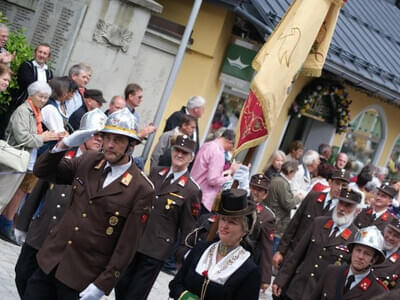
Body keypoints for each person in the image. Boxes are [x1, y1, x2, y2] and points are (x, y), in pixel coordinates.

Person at [22, 107, 155, 300]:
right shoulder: (90, 160)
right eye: (107, 137)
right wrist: (63, 145)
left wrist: (103, 284)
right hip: (50, 261)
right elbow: (43, 172)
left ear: (131, 144)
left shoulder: (142, 188)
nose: (109, 144)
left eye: (117, 140)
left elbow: (127, 245)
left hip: (82, 275)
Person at [13, 109, 106, 297]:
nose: (98, 139)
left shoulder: (99, 168)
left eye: (102, 136)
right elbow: (39, 189)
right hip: (42, 229)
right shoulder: (62, 155)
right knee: (22, 274)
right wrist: (23, 224)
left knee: (41, 286)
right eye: (94, 134)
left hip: (62, 239)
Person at [115, 135, 202, 299]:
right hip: (135, 241)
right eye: (177, 150)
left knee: (136, 294)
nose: (179, 155)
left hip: (155, 250)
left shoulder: (191, 190)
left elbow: (188, 228)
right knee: (121, 285)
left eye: (185, 153)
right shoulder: (156, 173)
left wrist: (182, 257)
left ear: (191, 158)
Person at [169, 189, 261, 300]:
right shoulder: (200, 249)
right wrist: (185, 296)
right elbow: (176, 284)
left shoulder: (249, 270)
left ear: (244, 231)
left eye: (232, 222)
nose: (224, 226)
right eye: (223, 219)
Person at [272, 188, 362, 300]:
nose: (342, 208)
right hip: (297, 289)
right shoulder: (319, 223)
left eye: (348, 206)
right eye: (341, 203)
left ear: (357, 211)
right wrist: (281, 280)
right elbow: (297, 255)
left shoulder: (356, 237)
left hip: (319, 294)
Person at [0, 81, 61, 242]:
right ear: (31, 95)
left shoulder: (35, 112)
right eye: (40, 96)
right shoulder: (24, 110)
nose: (43, 100)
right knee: (2, 195)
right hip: (13, 158)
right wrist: (44, 137)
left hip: (25, 159)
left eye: (46, 98)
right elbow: (22, 137)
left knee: (7, 196)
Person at [273, 168, 350, 269]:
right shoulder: (312, 198)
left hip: (312, 264)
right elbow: (294, 224)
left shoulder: (343, 212)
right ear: (330, 183)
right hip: (292, 254)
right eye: (337, 183)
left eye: (343, 185)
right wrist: (281, 251)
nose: (340, 188)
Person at [310, 226, 388, 300]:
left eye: (367, 254)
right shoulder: (331, 272)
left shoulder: (378, 292)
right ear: (352, 251)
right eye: (358, 250)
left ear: (374, 259)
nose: (360, 256)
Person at [191, 129, 240, 213]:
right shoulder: (218, 153)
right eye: (233, 145)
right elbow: (213, 180)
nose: (232, 149)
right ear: (229, 141)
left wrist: (228, 172)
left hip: (192, 188)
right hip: (203, 197)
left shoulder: (207, 145)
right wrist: (229, 176)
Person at [247, 174, 275, 293]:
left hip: (247, 258)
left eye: (259, 190)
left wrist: (265, 278)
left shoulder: (267, 216)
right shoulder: (238, 202)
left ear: (265, 194)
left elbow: (266, 248)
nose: (255, 192)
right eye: (253, 188)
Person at [266, 160, 299, 252]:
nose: (295, 175)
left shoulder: (277, 179)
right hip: (277, 223)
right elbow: (288, 204)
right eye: (295, 172)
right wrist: (298, 198)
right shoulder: (282, 183)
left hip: (274, 220)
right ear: (291, 172)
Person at [372, 217, 400, 290]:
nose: (390, 237)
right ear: (384, 230)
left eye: (396, 236)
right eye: (389, 232)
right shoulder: (371, 243)